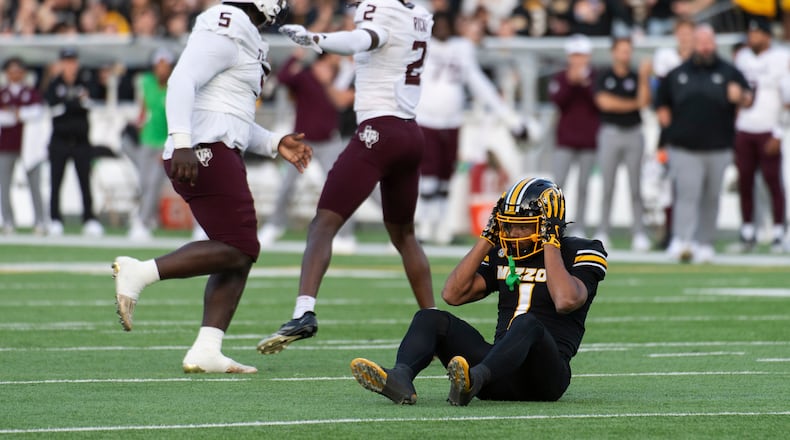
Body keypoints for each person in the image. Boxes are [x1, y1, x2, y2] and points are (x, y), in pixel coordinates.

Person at [111, 0, 313, 374]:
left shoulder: (246, 35)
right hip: (202, 149)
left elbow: (230, 114)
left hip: (214, 145)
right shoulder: (229, 24)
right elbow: (181, 79)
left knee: (238, 247)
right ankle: (140, 272)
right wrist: (183, 141)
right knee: (241, 246)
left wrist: (273, 142)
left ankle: (208, 348)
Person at [258, 0, 436, 355]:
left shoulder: (380, 9)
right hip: (410, 133)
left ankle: (303, 311)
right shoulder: (420, 13)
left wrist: (315, 38)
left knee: (322, 224)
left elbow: (364, 39)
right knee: (404, 236)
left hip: (379, 131)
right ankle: (434, 321)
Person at [349, 177, 607, 405]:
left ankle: (473, 380)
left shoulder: (580, 250)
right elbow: (453, 294)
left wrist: (550, 243)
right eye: (508, 225)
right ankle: (400, 377)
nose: (513, 233)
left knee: (528, 323)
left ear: (548, 225)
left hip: (545, 379)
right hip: (498, 372)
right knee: (429, 317)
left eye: (523, 226)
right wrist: (487, 239)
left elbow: (565, 300)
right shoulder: (502, 253)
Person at [414, 11, 537, 246]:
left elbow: (479, 83)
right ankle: (424, 224)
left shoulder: (462, 48)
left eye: (445, 24)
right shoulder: (423, 45)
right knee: (427, 175)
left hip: (452, 120)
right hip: (426, 118)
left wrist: (510, 119)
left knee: (444, 175)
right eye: (437, 25)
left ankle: (440, 224)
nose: (441, 29)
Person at [656, 24, 752, 263]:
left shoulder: (729, 71)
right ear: (694, 44)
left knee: (711, 197)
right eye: (701, 42)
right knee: (687, 194)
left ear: (715, 44)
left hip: (718, 146)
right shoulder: (678, 73)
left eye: (709, 41)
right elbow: (661, 103)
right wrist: (669, 132)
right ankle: (681, 240)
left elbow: (749, 98)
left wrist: (739, 97)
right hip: (685, 147)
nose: (706, 46)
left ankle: (705, 242)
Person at [256, 49, 357, 252]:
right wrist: (296, 56)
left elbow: (344, 100)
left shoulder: (340, 80)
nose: (337, 61)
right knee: (287, 186)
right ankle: (275, 225)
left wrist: (328, 81)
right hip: (302, 141)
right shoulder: (306, 76)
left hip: (329, 142)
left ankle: (345, 234)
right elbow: (284, 78)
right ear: (323, 59)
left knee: (340, 187)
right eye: (333, 58)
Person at [732, 17, 789, 253]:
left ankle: (778, 231)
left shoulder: (781, 58)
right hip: (745, 128)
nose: (752, 37)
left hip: (768, 128)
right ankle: (747, 231)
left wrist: (779, 132)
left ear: (767, 36)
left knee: (773, 182)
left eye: (757, 34)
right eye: (750, 33)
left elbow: (787, 100)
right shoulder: (743, 58)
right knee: (744, 182)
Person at [593, 37, 652, 251]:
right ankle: (602, 230)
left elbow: (644, 102)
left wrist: (645, 77)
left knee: (636, 186)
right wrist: (632, 104)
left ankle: (638, 231)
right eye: (622, 50)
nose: (625, 55)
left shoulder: (637, 76)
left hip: (634, 133)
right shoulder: (604, 75)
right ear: (614, 52)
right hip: (610, 133)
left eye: (629, 51)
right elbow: (604, 103)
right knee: (607, 185)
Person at [44, 47, 104, 237]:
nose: (70, 66)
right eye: (66, 61)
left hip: (81, 141)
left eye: (73, 61)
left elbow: (92, 102)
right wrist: (75, 103)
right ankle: (54, 219)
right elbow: (52, 107)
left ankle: (89, 219)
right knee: (56, 182)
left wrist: (73, 104)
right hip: (59, 141)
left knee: (85, 181)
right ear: (61, 63)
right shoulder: (54, 84)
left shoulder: (85, 81)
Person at [548, 33, 599, 237]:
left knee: (584, 186)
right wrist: (571, 82)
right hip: (565, 140)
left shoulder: (595, 77)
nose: (578, 60)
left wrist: (584, 84)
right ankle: (554, 225)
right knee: (558, 185)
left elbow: (599, 102)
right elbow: (558, 100)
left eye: (582, 55)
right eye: (575, 55)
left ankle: (580, 226)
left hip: (589, 141)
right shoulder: (561, 77)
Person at [126, 47, 174, 241]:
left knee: (154, 182)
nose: (161, 69)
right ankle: (146, 217)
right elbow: (144, 108)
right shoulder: (146, 82)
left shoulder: (175, 86)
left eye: (165, 65)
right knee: (145, 182)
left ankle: (142, 222)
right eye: (159, 65)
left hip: (163, 141)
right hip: (147, 138)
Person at [0, 57, 47, 235]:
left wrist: (17, 113)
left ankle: (40, 221)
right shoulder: (3, 92)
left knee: (35, 184)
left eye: (18, 71)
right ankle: (8, 221)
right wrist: (18, 114)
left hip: (29, 145)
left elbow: (36, 112)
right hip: (6, 145)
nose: (15, 74)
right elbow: (4, 118)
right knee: (4, 185)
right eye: (12, 71)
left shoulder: (31, 92)